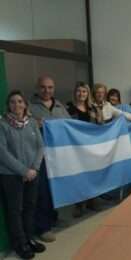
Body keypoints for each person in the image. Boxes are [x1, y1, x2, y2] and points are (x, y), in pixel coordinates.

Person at [0, 91, 46, 259]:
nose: (17, 105)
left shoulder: (32, 123)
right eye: (12, 102)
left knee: (30, 207)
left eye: (20, 101)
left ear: (25, 104)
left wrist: (33, 168)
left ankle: (29, 238)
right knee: (15, 210)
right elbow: (2, 153)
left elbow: (40, 147)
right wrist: (23, 171)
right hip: (11, 175)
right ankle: (20, 244)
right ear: (8, 105)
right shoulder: (2, 124)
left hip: (33, 173)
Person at [30, 76, 70, 243]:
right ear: (38, 88)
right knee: (43, 191)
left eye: (50, 87)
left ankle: (53, 217)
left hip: (59, 155)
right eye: (43, 87)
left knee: (56, 188)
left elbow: (70, 125)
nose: (47, 91)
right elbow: (23, 125)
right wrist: (34, 123)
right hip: (41, 156)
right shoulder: (29, 107)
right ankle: (43, 227)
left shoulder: (60, 106)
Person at [66, 82, 100, 218]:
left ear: (88, 94)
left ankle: (92, 200)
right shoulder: (69, 110)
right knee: (79, 175)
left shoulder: (93, 108)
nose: (81, 94)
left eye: (84, 91)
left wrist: (99, 118)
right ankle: (79, 204)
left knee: (92, 173)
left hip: (91, 146)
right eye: (79, 91)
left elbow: (100, 126)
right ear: (75, 93)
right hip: (76, 148)